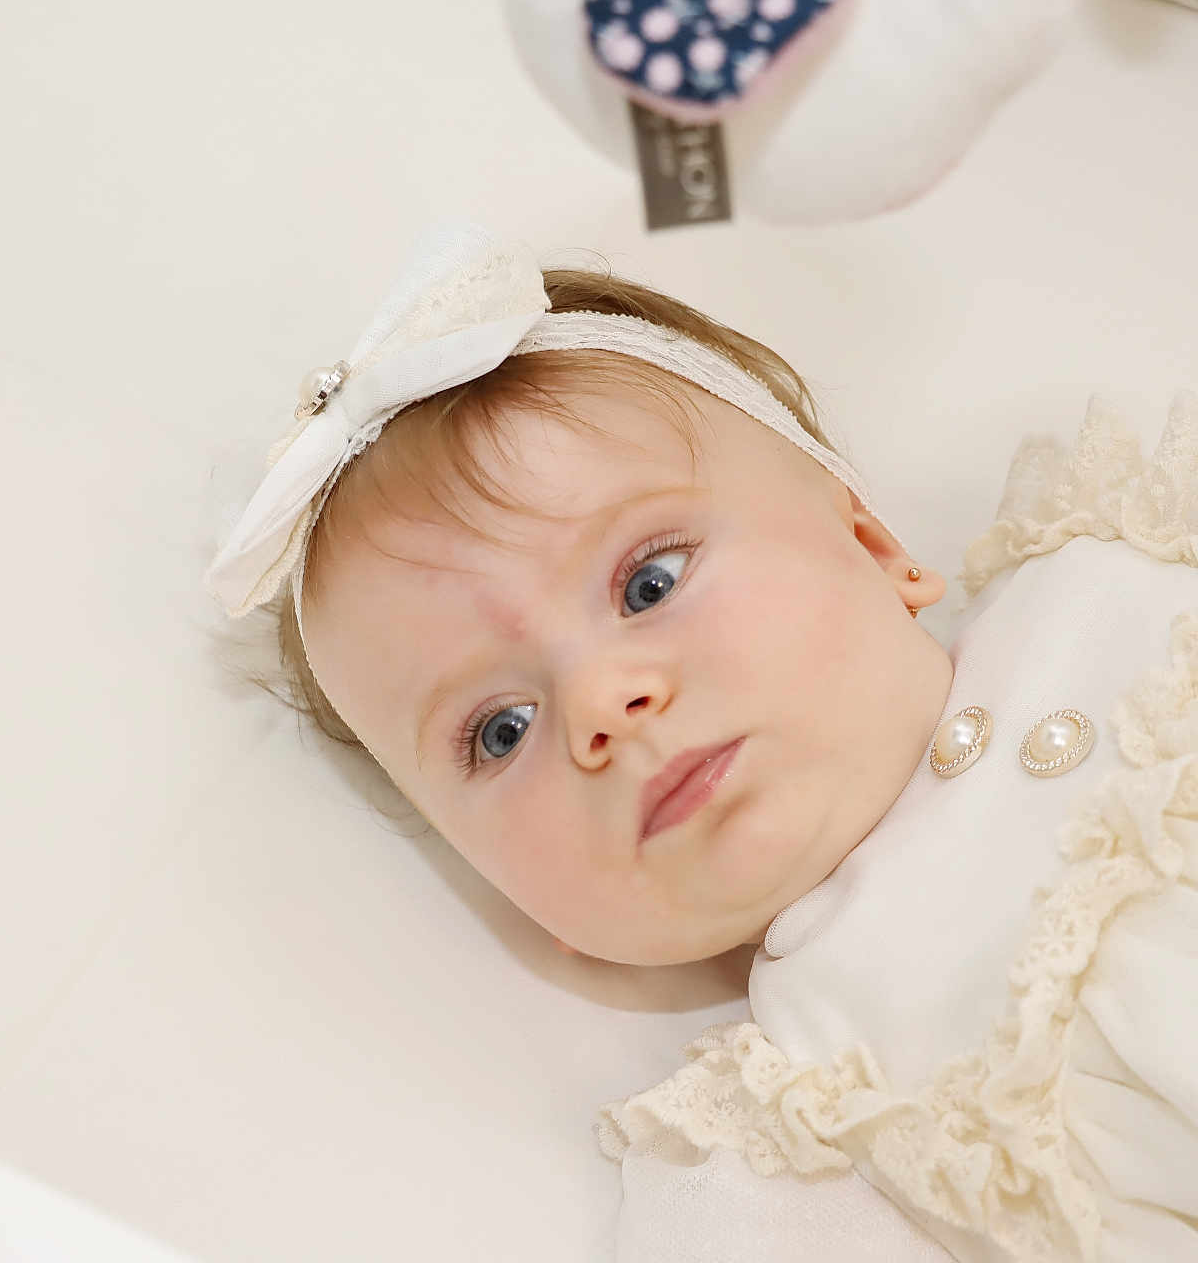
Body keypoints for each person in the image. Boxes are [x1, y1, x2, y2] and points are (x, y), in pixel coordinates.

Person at [204, 220, 1198, 1261]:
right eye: (500, 730)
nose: (600, 700)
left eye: (649, 582)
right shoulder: (795, 1130)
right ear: (514, 894)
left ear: (872, 544)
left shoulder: (1130, 572)